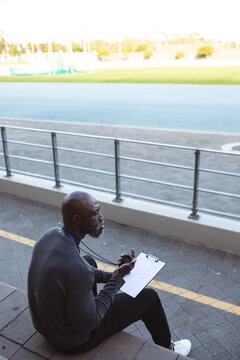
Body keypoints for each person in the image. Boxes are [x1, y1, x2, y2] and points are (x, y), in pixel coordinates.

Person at [27, 191, 191, 356]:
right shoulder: (78, 271)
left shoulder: (49, 236)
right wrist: (117, 280)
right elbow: (88, 324)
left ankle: (90, 303)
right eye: (96, 212)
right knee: (149, 298)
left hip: (47, 326)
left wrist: (115, 275)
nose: (101, 217)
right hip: (71, 341)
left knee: (89, 260)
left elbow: (80, 271)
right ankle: (170, 350)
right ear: (77, 219)